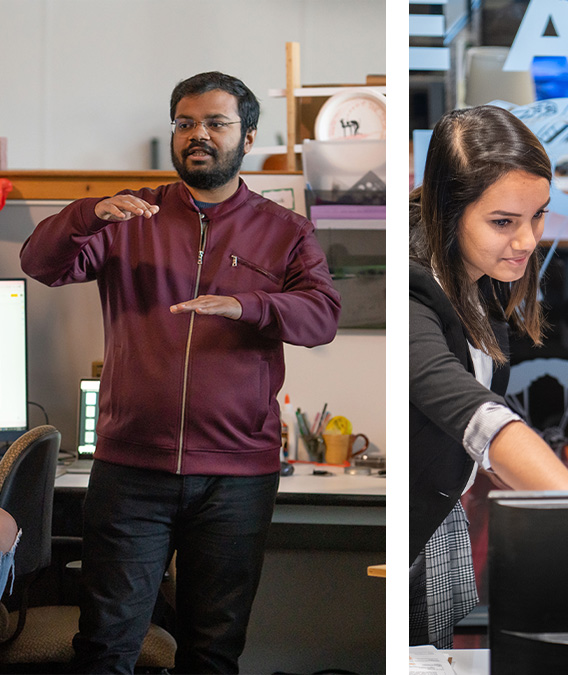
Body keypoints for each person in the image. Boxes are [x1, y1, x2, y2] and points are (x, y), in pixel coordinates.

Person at [20, 72, 341, 673]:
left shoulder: (284, 229)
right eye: (185, 123)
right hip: (130, 471)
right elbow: (39, 262)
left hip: (237, 478)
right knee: (106, 645)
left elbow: (322, 317)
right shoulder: (127, 216)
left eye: (216, 124)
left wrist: (246, 305)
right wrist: (87, 213)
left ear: (247, 138)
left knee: (213, 650)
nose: (198, 135)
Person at [409, 105, 568, 647]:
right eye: (504, 222)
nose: (529, 240)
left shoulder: (478, 275)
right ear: (449, 208)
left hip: (439, 519)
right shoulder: (411, 285)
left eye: (539, 216)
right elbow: (469, 407)